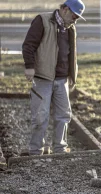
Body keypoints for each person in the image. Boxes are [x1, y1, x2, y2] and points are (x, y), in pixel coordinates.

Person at [22, 0, 85, 155]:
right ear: (64, 9)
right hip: (43, 77)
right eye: (74, 16)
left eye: (77, 18)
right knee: (40, 116)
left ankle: (60, 149)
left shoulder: (70, 28)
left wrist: (72, 74)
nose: (74, 19)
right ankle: (36, 150)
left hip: (62, 79)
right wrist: (30, 67)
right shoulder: (42, 21)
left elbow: (71, 53)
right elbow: (28, 45)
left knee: (64, 115)